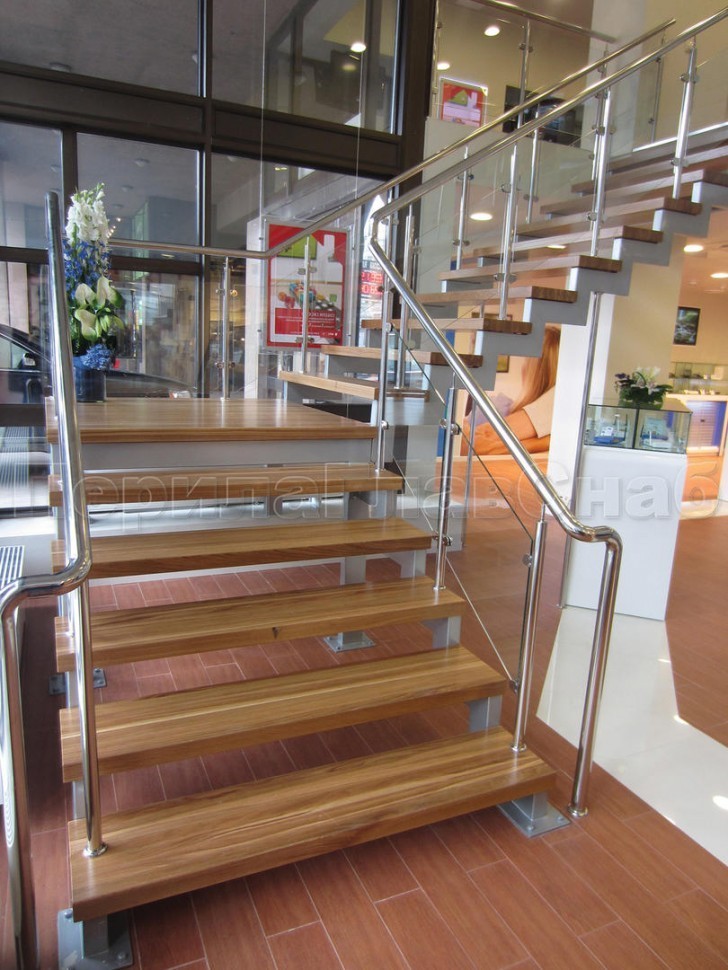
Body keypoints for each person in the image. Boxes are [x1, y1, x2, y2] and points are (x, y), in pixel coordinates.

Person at [465, 325, 560, 455]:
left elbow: (460, 443)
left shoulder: (496, 407)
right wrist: (542, 443)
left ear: (528, 371)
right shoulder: (558, 430)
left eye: (526, 361)